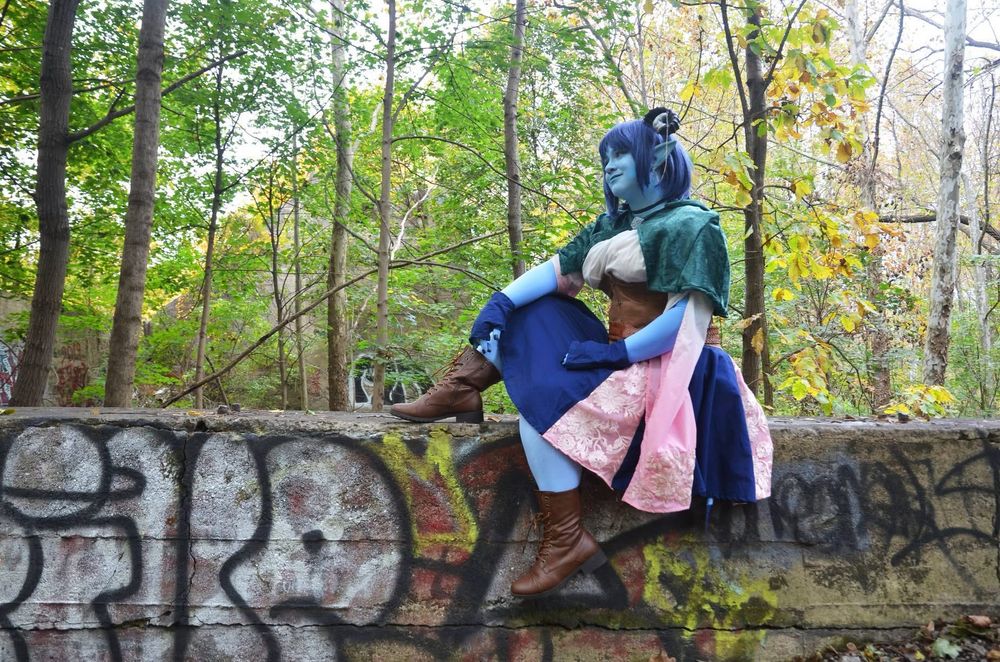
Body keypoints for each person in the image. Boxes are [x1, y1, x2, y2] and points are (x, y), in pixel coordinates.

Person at [391, 107, 773, 598]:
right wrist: (499, 304)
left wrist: (619, 356)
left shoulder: (693, 227)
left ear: (655, 161)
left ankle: (566, 541)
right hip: (620, 356)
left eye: (620, 155)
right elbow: (558, 272)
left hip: (675, 369)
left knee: (542, 411)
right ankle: (463, 386)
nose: (609, 166)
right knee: (531, 309)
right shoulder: (611, 226)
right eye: (605, 157)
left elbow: (686, 323)